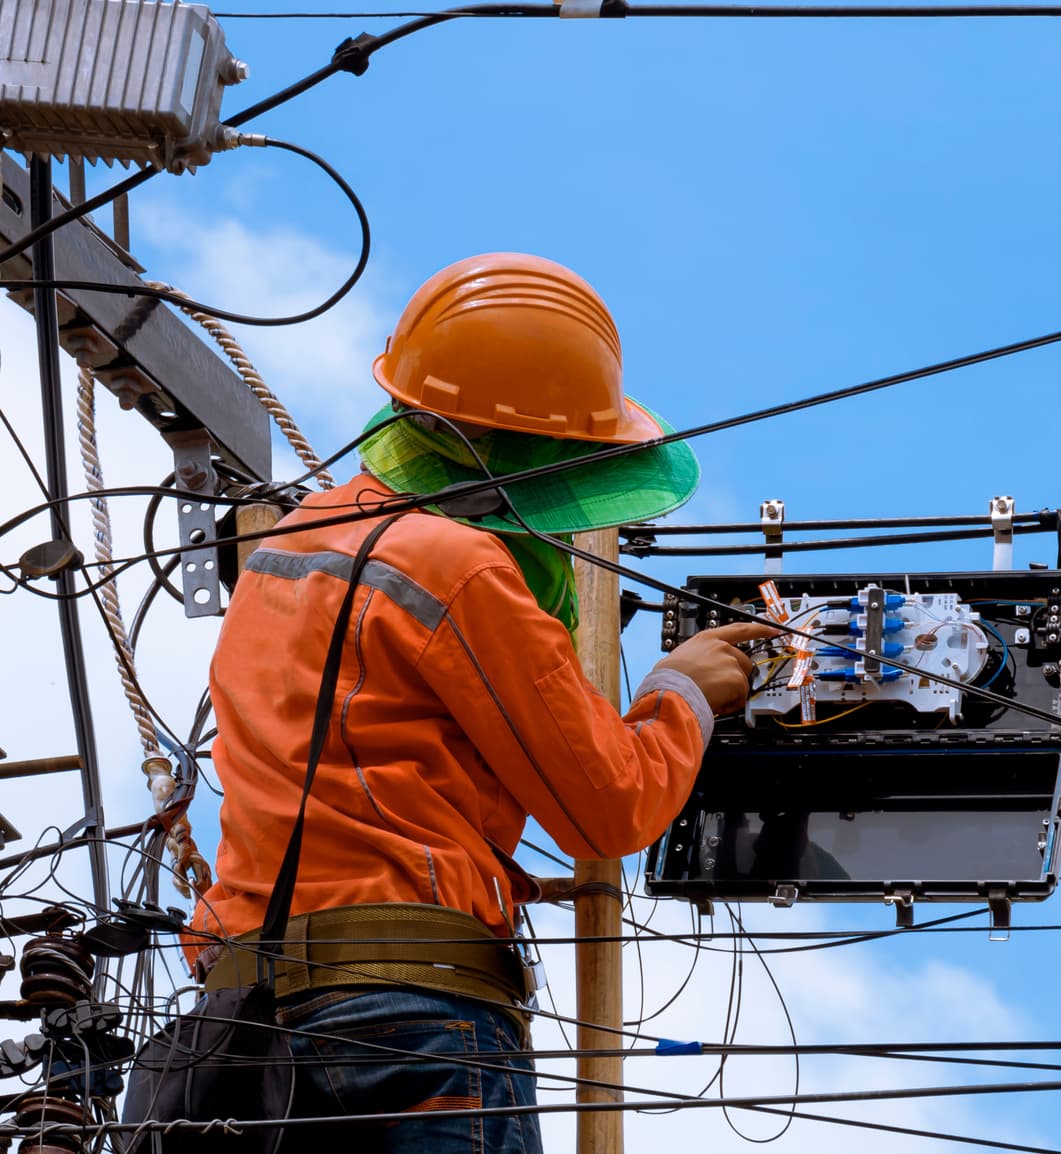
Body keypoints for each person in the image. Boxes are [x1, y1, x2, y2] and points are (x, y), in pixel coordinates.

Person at [186, 252, 774, 1152]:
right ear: (530, 453)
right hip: (412, 1018)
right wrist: (681, 692)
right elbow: (609, 807)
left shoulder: (287, 548)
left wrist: (473, 862)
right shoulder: (460, 569)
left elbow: (352, 763)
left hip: (243, 1026)